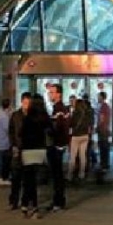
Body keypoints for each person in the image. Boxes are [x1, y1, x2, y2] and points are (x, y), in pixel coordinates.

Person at [19, 94, 50, 219]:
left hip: (28, 150)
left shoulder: (27, 118)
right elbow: (50, 131)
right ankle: (31, 206)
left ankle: (28, 205)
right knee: (34, 180)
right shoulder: (44, 118)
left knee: (28, 179)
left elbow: (21, 133)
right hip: (40, 150)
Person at [47, 84, 69, 212]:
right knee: (57, 175)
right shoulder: (61, 108)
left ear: (59, 94)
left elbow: (58, 128)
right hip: (60, 145)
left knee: (57, 175)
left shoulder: (59, 109)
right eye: (50, 92)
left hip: (57, 146)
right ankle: (58, 200)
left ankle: (58, 201)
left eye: (52, 92)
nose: (50, 95)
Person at [8, 92, 31, 211]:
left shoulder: (33, 116)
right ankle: (13, 200)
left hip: (29, 150)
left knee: (27, 177)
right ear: (22, 102)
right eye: (25, 102)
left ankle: (25, 201)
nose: (26, 105)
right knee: (16, 177)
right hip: (18, 148)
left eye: (28, 103)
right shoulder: (15, 115)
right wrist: (13, 145)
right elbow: (11, 131)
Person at [67, 99, 90, 182]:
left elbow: (71, 124)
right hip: (85, 136)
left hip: (76, 136)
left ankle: (70, 175)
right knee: (82, 155)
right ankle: (82, 174)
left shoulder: (75, 113)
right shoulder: (87, 113)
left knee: (73, 156)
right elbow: (89, 124)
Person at [0, 98, 12, 186]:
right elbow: (7, 129)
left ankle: (4, 177)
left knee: (5, 160)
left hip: (2, 141)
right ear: (8, 105)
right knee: (6, 161)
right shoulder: (4, 116)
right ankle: (3, 177)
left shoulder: (1, 114)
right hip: (5, 141)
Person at [96, 91, 111, 171]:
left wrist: (97, 127)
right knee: (105, 148)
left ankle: (104, 165)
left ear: (102, 97)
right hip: (105, 130)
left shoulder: (103, 106)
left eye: (98, 96)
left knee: (103, 148)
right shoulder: (106, 106)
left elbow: (101, 119)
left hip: (103, 130)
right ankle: (105, 164)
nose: (97, 98)